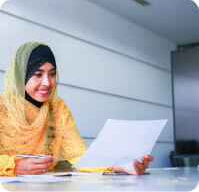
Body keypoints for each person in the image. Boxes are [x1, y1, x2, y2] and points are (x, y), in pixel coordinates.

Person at [0, 41, 153, 176]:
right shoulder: (2, 107)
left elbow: (79, 155)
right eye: (38, 74)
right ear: (21, 75)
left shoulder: (57, 107)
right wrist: (16, 166)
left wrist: (122, 166)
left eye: (52, 74)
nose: (47, 82)